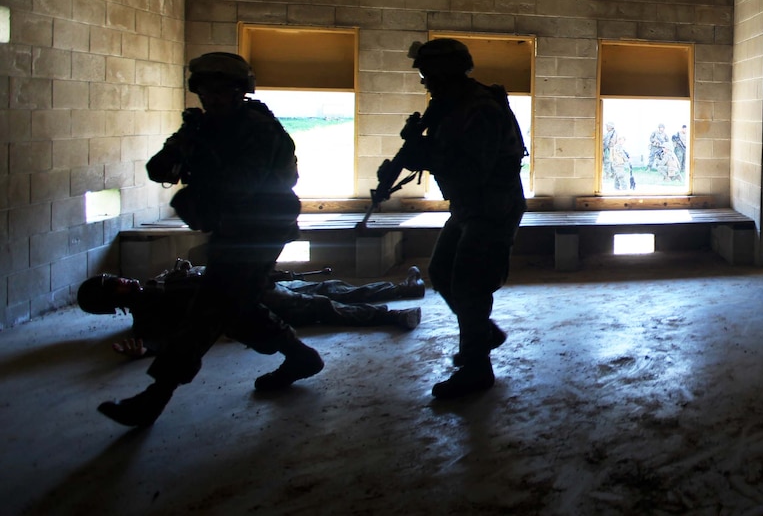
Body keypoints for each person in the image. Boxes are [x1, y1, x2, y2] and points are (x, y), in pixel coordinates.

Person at [97, 52, 321, 428]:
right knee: (235, 308)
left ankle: (154, 398)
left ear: (239, 92)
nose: (213, 99)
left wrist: (203, 157)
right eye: (206, 91)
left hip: (263, 227)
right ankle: (299, 356)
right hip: (232, 228)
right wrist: (183, 146)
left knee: (207, 310)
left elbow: (244, 183)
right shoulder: (203, 128)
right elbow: (158, 169)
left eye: (222, 91)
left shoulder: (257, 128)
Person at [380, 38, 526, 398]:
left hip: (492, 206)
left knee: (470, 283)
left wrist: (425, 155)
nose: (424, 81)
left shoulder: (480, 108)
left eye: (428, 73)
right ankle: (482, 333)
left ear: (448, 70)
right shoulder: (448, 104)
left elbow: (473, 169)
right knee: (442, 273)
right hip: (468, 206)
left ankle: (477, 368)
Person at [77, 264, 426, 358]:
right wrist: (143, 351)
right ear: (113, 304)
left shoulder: (155, 284)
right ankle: (393, 316)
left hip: (258, 285)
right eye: (115, 286)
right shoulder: (147, 316)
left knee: (328, 288)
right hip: (253, 304)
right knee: (324, 306)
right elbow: (158, 340)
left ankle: (404, 289)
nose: (123, 281)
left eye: (116, 277)